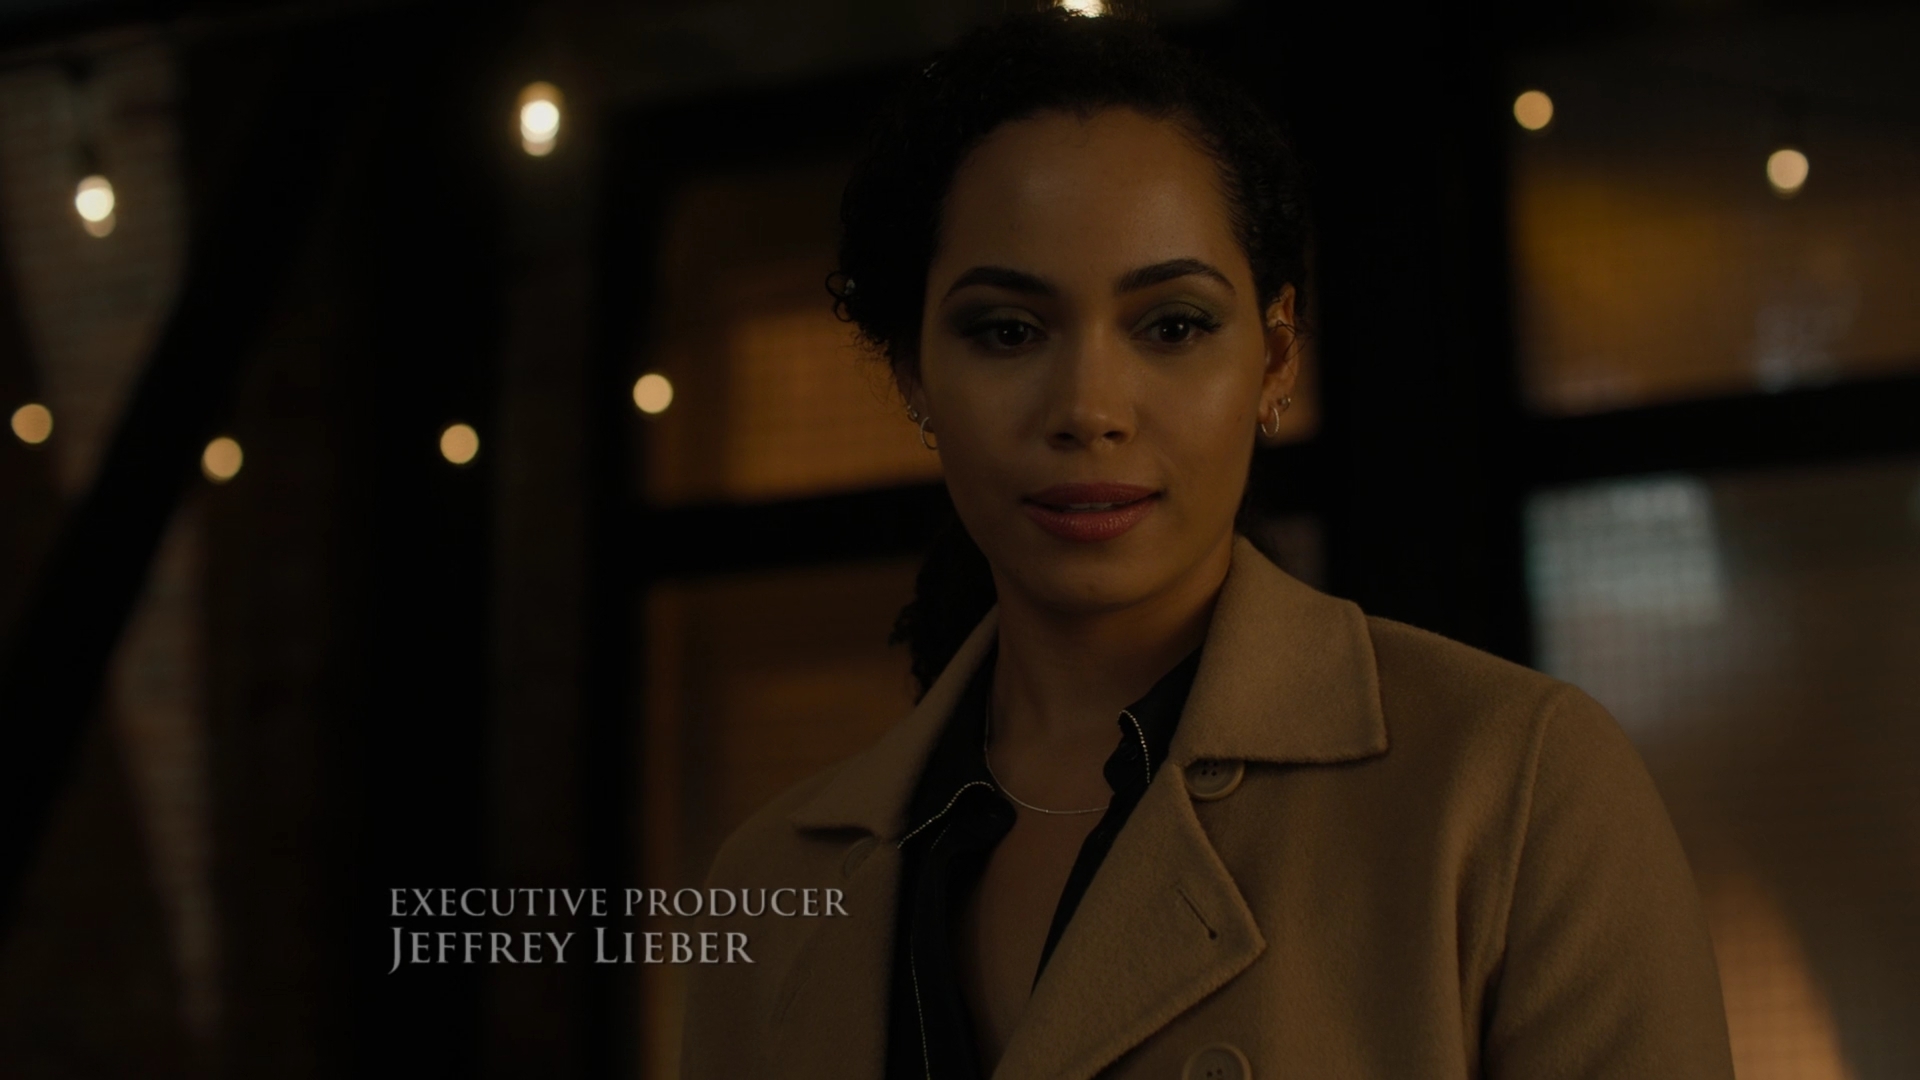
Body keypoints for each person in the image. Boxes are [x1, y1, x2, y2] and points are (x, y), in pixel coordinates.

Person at [680, 9, 1735, 1079]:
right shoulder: (769, 883)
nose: (1090, 409)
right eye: (1007, 331)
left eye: (1173, 325)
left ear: (1275, 357)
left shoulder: (1510, 786)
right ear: (914, 374)